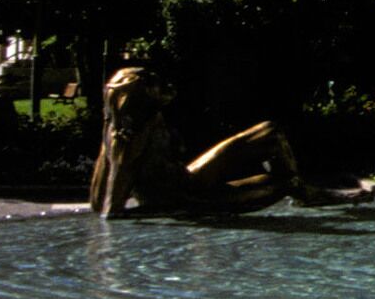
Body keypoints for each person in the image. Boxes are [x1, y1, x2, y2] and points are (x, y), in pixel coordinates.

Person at [85, 64, 333, 217]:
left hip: (182, 182)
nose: (164, 87)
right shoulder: (132, 133)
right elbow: (111, 208)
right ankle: (303, 192)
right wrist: (173, 209)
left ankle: (303, 191)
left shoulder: (124, 126)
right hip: (187, 192)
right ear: (143, 92)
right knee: (274, 144)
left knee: (270, 135)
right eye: (154, 83)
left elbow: (99, 202)